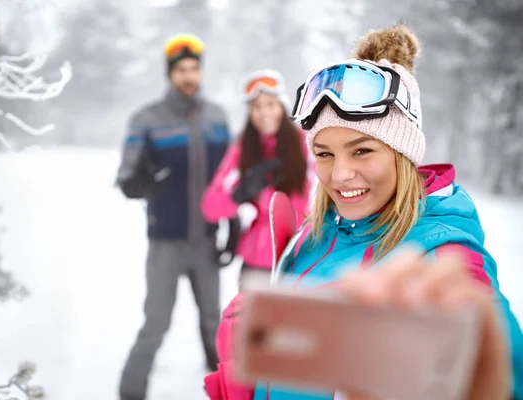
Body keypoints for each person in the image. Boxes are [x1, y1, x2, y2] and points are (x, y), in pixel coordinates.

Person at [203, 25, 523, 400]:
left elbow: (492, 355)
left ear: (402, 154)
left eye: (362, 151)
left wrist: (476, 375)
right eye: (324, 154)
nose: (338, 175)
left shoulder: (441, 258)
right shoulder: (317, 231)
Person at [115, 33, 231, 400]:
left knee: (215, 321)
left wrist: (234, 224)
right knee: (156, 323)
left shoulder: (217, 117)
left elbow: (229, 176)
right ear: (170, 74)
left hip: (206, 240)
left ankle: (226, 389)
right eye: (181, 69)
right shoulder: (147, 119)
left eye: (194, 68)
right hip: (166, 242)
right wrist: (143, 182)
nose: (188, 76)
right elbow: (126, 178)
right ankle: (131, 393)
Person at [201, 69, 314, 288]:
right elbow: (210, 207)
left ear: (282, 106)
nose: (264, 113)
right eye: (256, 107)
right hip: (258, 261)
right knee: (249, 322)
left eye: (270, 104)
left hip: (303, 256)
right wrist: (241, 193)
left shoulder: (306, 144)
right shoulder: (242, 149)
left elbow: (326, 192)